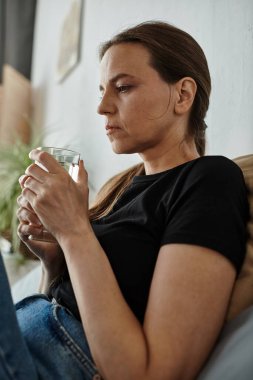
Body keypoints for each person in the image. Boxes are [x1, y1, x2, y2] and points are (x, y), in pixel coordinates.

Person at [0, 20, 248, 380]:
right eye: (102, 90)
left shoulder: (210, 180)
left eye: (124, 87)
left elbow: (152, 373)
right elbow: (60, 306)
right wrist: (54, 258)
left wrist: (74, 231)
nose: (102, 107)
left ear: (182, 95)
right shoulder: (121, 188)